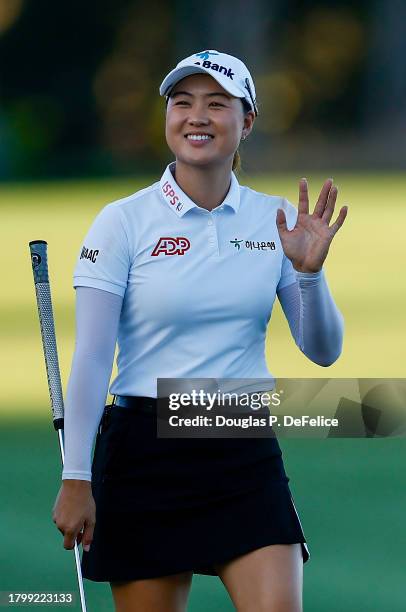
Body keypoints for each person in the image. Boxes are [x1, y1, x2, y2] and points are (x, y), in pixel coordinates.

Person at [52, 50, 347, 612]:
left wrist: (310, 275)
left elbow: (324, 352)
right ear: (167, 118)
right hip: (145, 449)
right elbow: (92, 357)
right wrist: (75, 475)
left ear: (247, 121)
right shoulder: (123, 221)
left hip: (240, 442)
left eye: (217, 103)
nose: (197, 116)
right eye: (182, 103)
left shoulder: (277, 219)